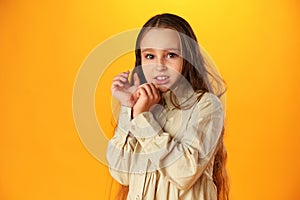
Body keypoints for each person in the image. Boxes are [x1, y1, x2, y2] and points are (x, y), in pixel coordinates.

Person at [106, 13, 229, 200]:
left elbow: (184, 173)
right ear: (140, 60)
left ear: (187, 58)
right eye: (150, 56)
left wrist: (142, 119)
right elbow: (121, 173)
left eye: (171, 55)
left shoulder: (206, 105)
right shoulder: (142, 107)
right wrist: (129, 109)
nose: (159, 66)